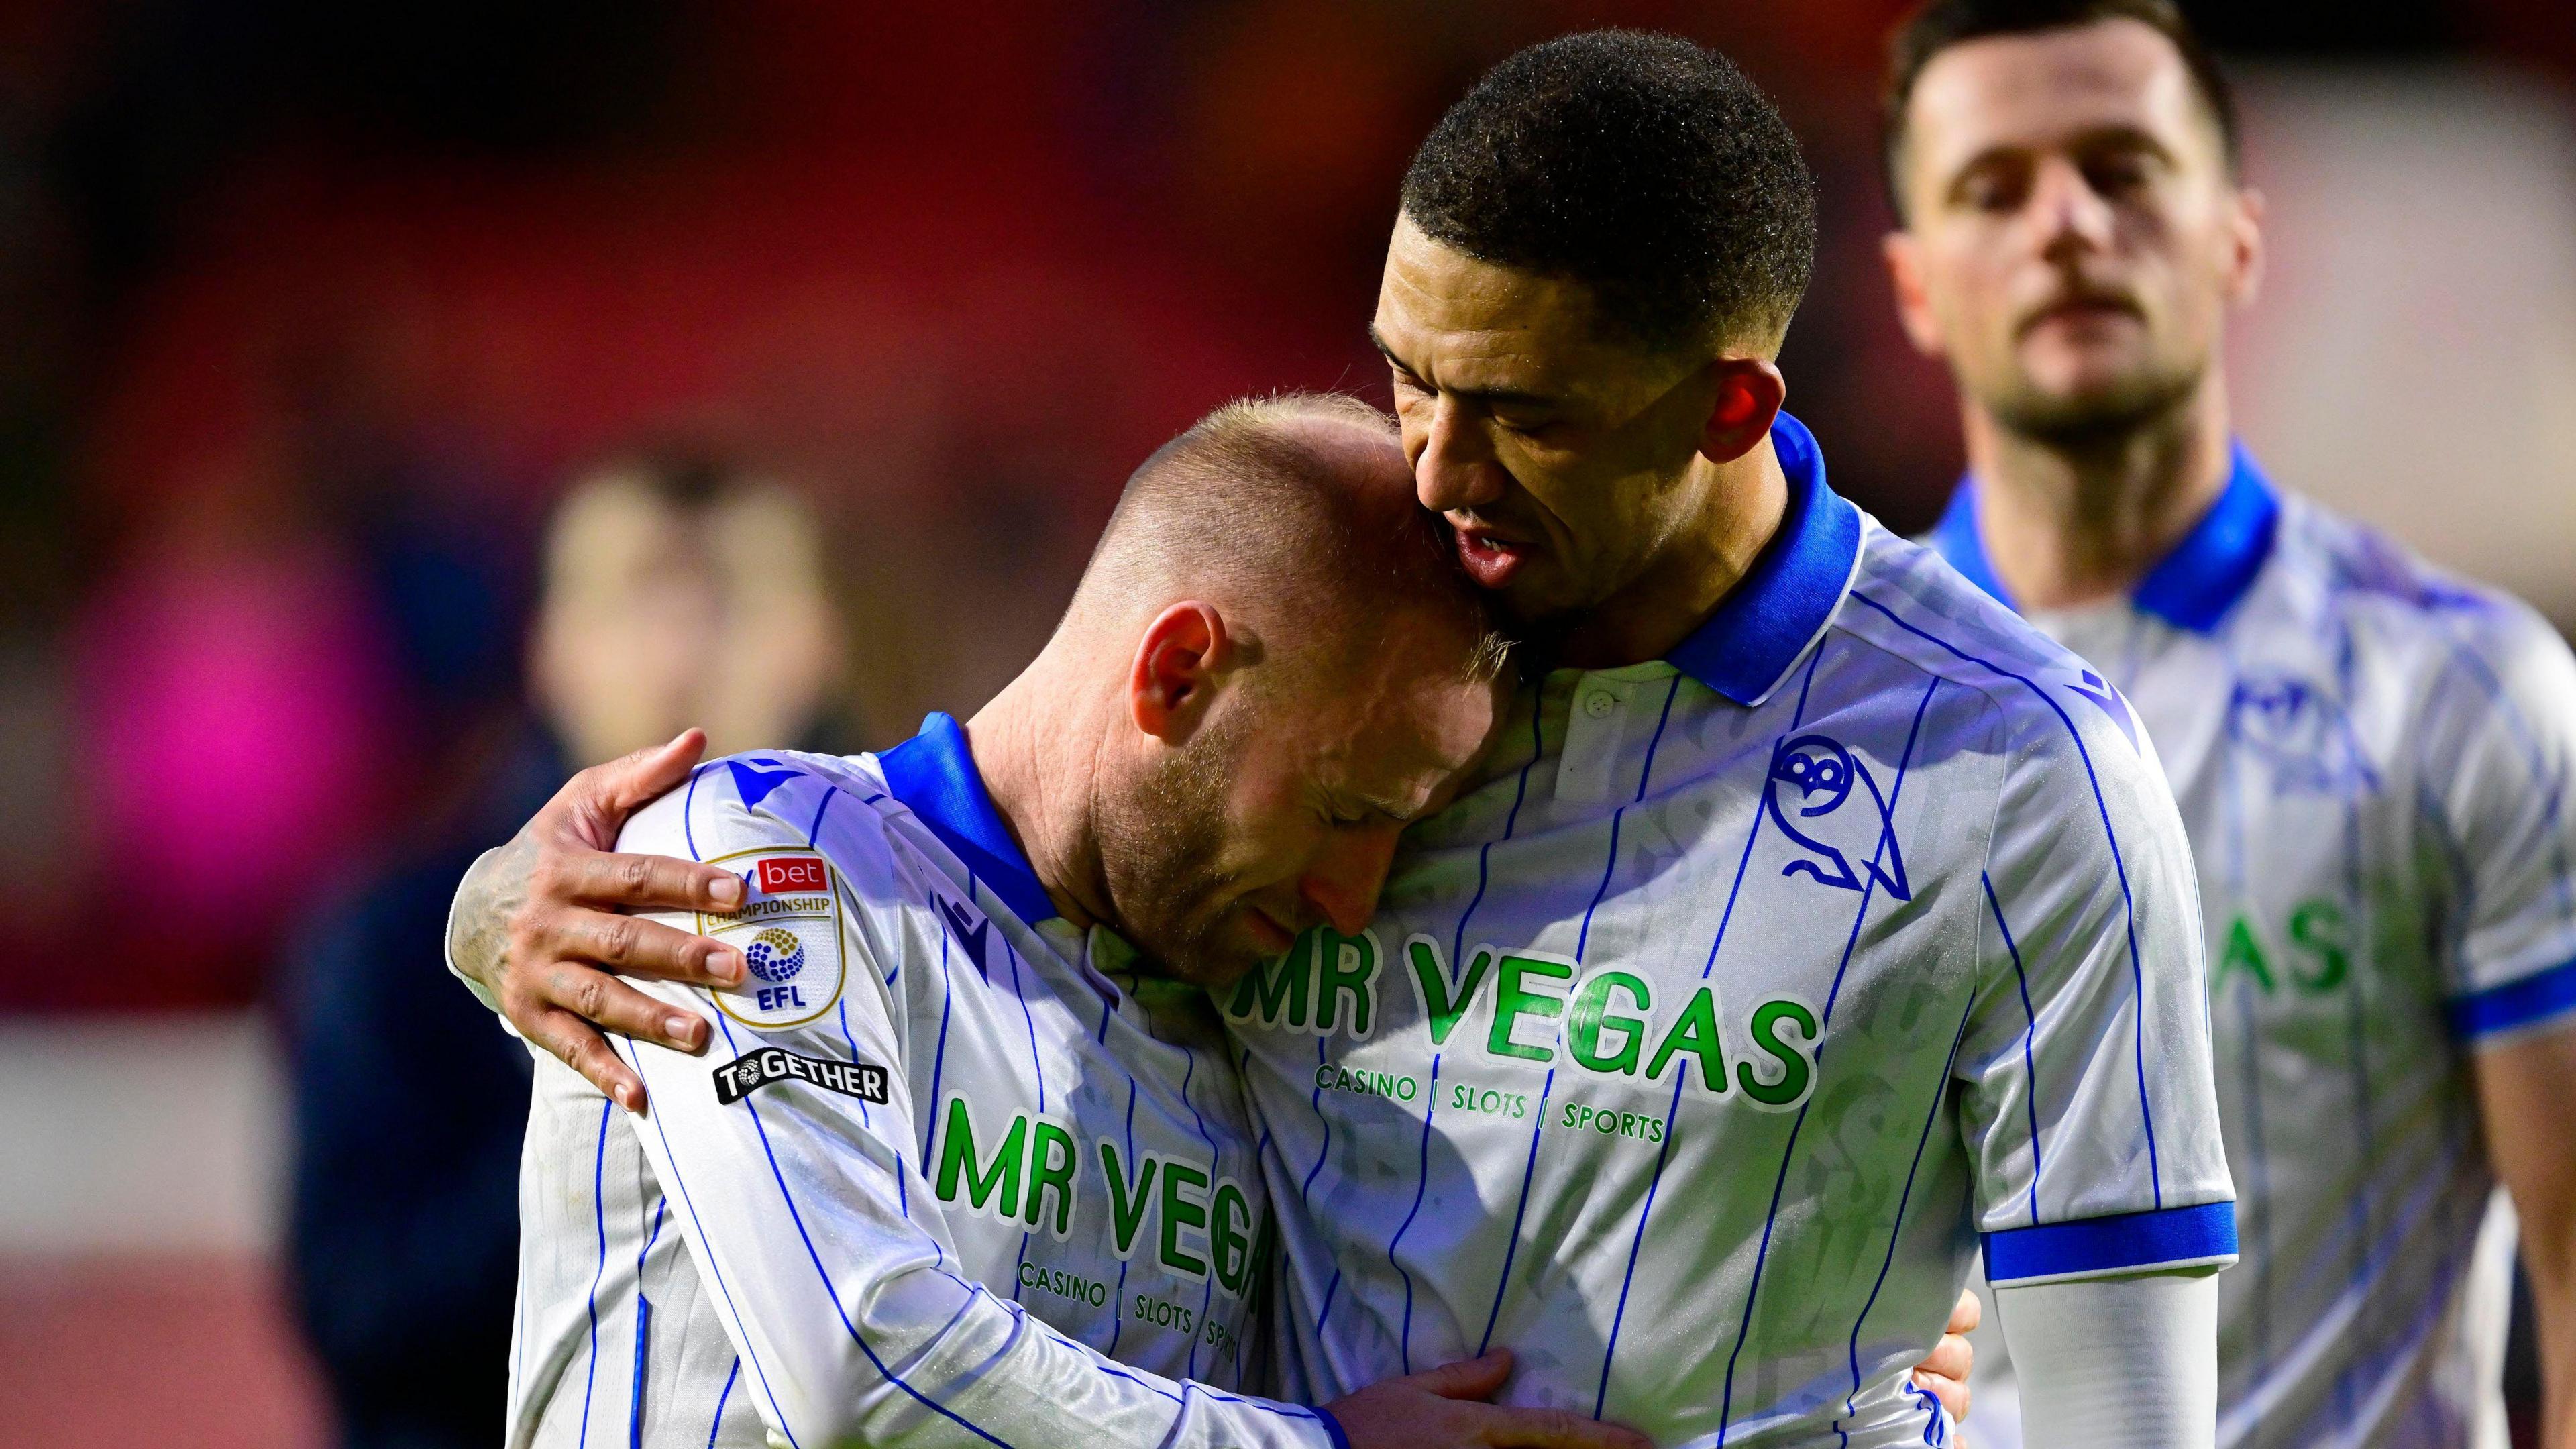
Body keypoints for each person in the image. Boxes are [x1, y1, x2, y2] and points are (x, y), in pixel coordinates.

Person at [451, 33, 2213, 1446]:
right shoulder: (1347, 676)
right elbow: (863, 1328)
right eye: (1409, 382)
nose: (1441, 472)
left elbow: (2116, 1394)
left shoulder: (2017, 772)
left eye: (1516, 413)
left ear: (1727, 405)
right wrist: (496, 905)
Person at [482, 394, 1680, 1449]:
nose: (1351, 898)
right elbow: (861, 1369)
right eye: (1341, 810)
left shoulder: (1241, 1019)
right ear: (1176, 674)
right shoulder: (759, 854)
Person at [1876, 2, 2576, 1445]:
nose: (2065, 225)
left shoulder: (2465, 694)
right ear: (1915, 288)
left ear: (2241, 240)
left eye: (2123, 170)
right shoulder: (1825, 724)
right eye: (1992, 190)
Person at [283, 450, 853, 1449]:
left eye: (732, 596)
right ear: (550, 646)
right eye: (636, 597)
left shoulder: (923, 934)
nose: (682, 650)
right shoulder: (398, 942)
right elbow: (362, 1317)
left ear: (822, 641)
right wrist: (611, 1072)